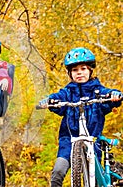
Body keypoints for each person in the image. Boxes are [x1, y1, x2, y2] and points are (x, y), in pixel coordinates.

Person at [37, 47, 122, 187]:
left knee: (92, 177)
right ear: (70, 73)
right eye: (75, 70)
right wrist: (49, 101)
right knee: (58, 171)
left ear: (90, 70)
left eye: (83, 68)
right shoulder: (68, 92)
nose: (79, 73)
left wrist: (114, 95)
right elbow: (58, 97)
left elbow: (108, 93)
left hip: (92, 140)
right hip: (68, 141)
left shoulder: (98, 91)